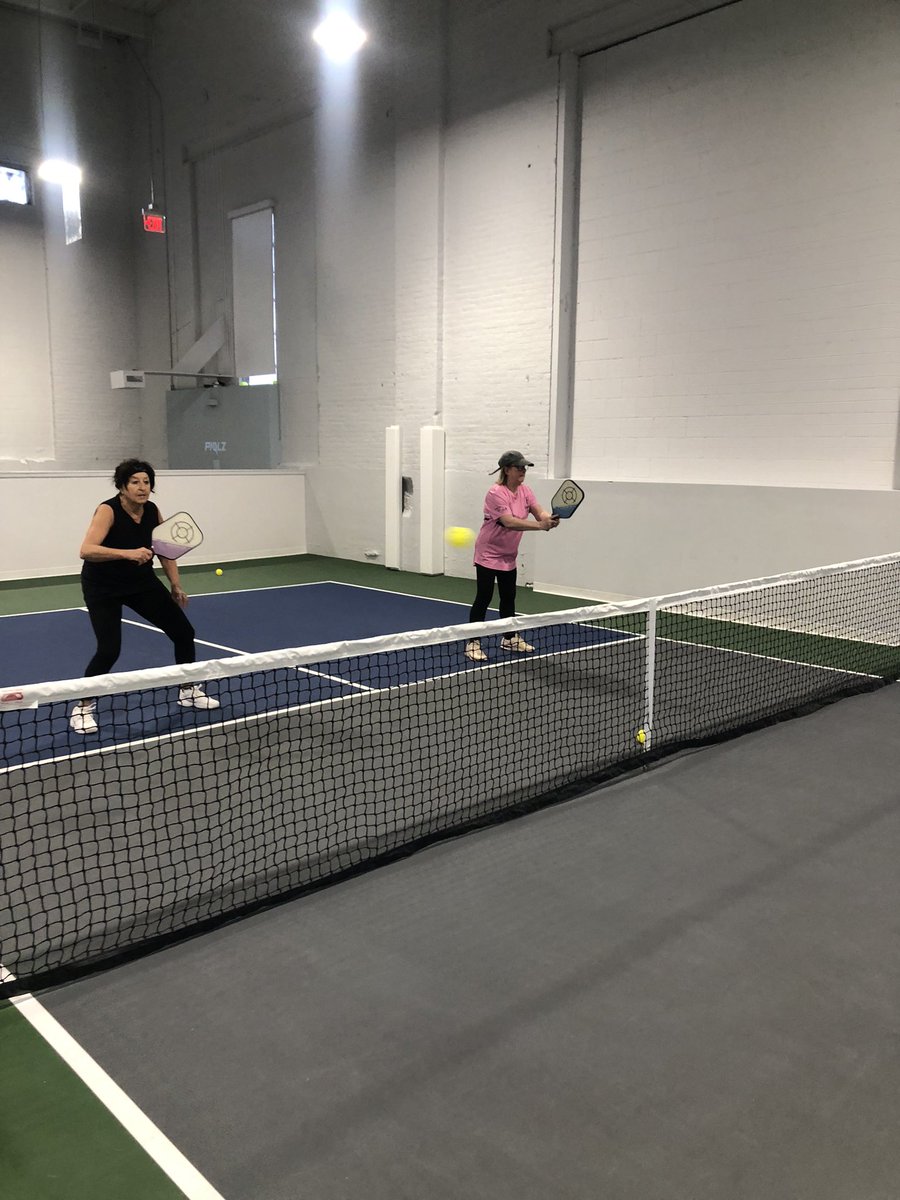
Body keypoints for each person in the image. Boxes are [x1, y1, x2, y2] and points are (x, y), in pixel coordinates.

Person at [69, 459, 219, 733]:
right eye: (135, 482)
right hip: (103, 587)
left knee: (184, 632)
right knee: (109, 649)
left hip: (140, 582)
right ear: (122, 487)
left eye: (147, 482)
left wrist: (176, 584)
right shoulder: (107, 510)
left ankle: (187, 689)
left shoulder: (152, 510)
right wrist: (127, 553)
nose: (142, 487)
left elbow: (165, 549)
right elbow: (87, 550)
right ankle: (82, 707)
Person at [465, 450, 559, 662]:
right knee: (484, 597)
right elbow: (509, 521)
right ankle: (472, 642)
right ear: (507, 470)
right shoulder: (495, 493)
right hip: (488, 554)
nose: (523, 471)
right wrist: (540, 526)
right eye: (519, 467)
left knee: (509, 598)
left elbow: (538, 511)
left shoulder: (525, 491)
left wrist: (548, 519)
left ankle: (509, 638)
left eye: (524, 467)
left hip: (508, 555)